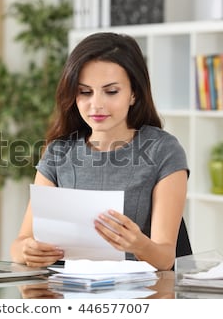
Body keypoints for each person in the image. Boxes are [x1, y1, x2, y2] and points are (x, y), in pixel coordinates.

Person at [10, 32, 191, 271]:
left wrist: (139, 245)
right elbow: (20, 243)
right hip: (69, 292)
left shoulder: (163, 151)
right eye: (85, 92)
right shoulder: (58, 152)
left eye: (111, 91)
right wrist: (28, 250)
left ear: (133, 93)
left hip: (139, 296)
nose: (96, 104)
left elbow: (165, 257)